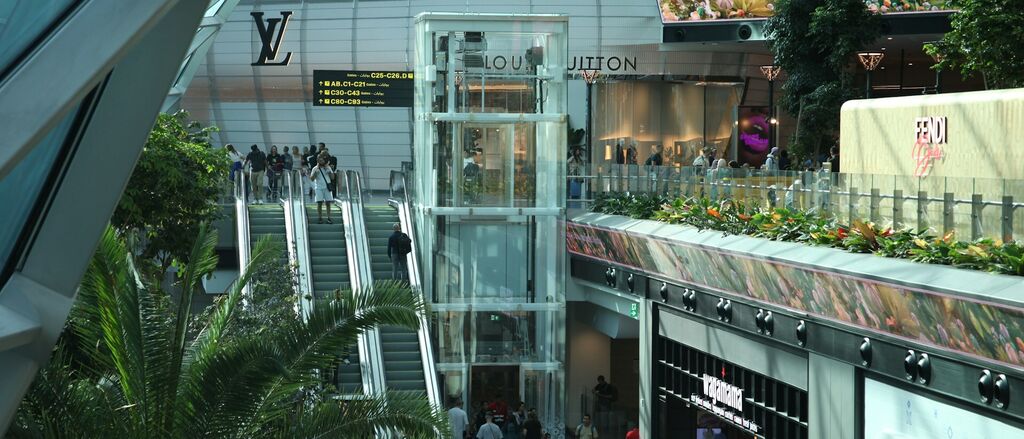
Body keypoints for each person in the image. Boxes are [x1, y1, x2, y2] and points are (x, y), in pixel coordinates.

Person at [310, 157, 335, 223]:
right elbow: (312, 179)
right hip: (318, 187)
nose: (321, 162)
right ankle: (320, 218)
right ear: (317, 161)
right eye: (320, 161)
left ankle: (329, 218)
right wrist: (316, 172)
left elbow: (332, 177)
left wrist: (329, 171)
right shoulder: (315, 168)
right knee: (319, 203)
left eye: (322, 160)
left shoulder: (328, 167)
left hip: (327, 187)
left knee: (328, 203)